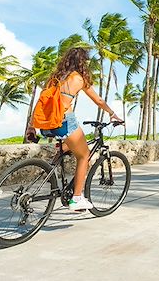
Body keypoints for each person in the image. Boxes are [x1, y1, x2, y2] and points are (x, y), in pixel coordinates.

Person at [35, 47, 122, 211]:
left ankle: (53, 166)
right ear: (83, 62)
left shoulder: (54, 78)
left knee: (70, 145)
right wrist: (112, 114)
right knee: (84, 156)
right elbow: (98, 100)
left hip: (46, 123)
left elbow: (42, 101)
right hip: (64, 122)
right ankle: (76, 199)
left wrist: (31, 127)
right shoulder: (78, 78)